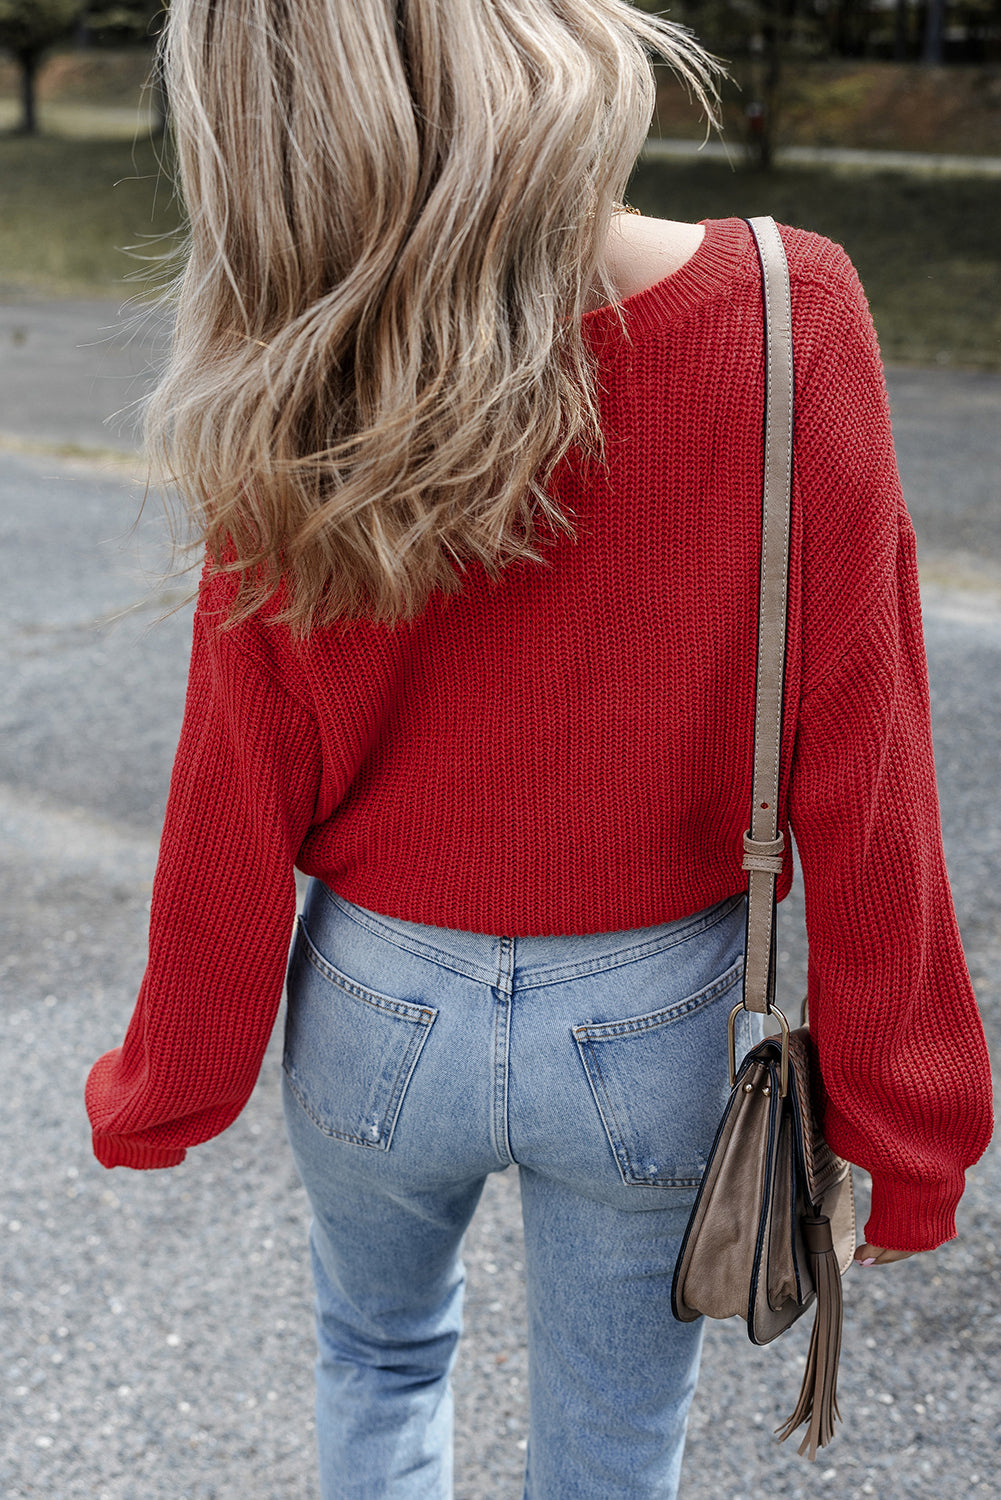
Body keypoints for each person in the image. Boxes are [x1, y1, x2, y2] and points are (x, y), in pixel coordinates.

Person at [85, 1, 993, 1496]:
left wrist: (168, 1082)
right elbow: (867, 757)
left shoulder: (296, 360)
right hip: (652, 1023)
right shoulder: (786, 309)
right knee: (611, 1441)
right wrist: (911, 1124)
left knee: (377, 1360)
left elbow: (234, 775)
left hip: (374, 1009)